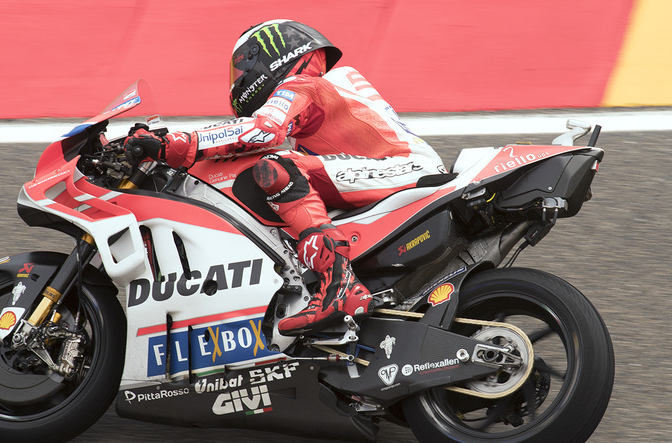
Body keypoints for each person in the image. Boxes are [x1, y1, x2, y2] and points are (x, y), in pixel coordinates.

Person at [124, 19, 446, 336]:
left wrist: (178, 146)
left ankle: (337, 282)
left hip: (402, 170)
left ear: (267, 58)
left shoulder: (301, 85)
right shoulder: (329, 84)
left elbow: (263, 129)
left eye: (242, 69)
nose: (238, 81)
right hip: (397, 170)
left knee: (277, 168)